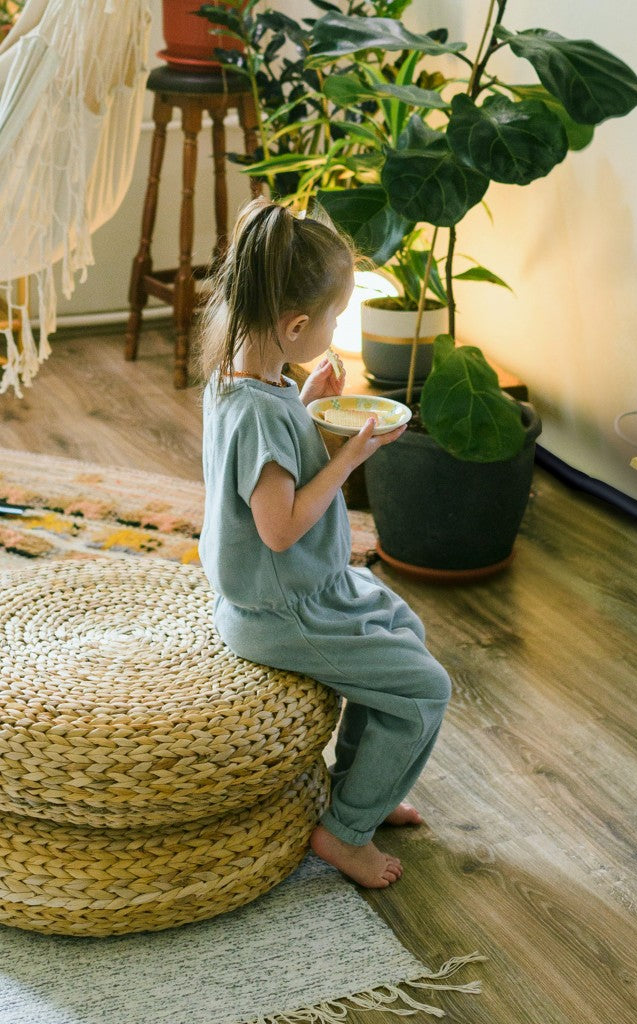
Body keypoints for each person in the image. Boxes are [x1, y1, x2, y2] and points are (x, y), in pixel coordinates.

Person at [197, 197, 451, 889]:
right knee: (425, 687)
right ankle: (344, 833)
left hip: (302, 590)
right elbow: (278, 527)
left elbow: (267, 467)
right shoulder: (256, 412)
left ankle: (367, 781)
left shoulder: (245, 380)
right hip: (282, 612)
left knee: (404, 627)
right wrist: (347, 458)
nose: (338, 326)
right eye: (336, 317)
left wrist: (306, 400)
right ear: (299, 324)